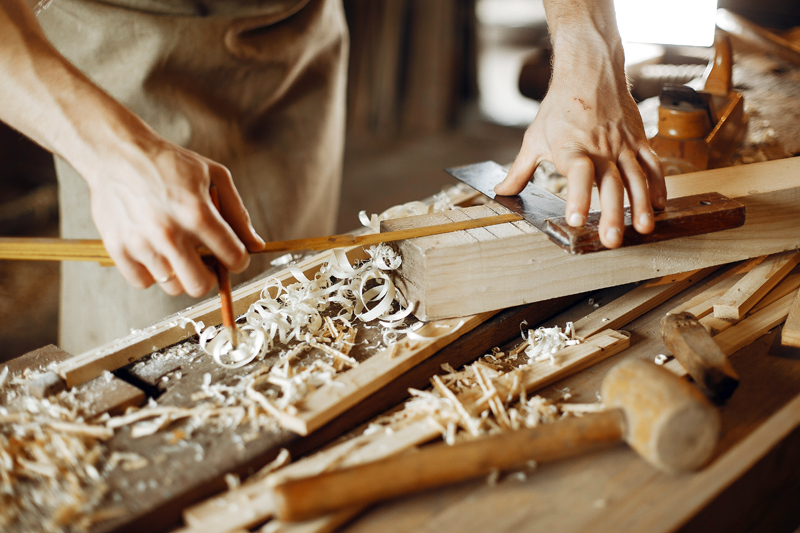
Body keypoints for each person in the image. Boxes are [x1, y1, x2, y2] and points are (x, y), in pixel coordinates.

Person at [0, 0, 662, 354]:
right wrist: (115, 155)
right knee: (159, 352)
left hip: (294, 28)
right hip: (120, 48)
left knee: (293, 317)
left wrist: (587, 50)